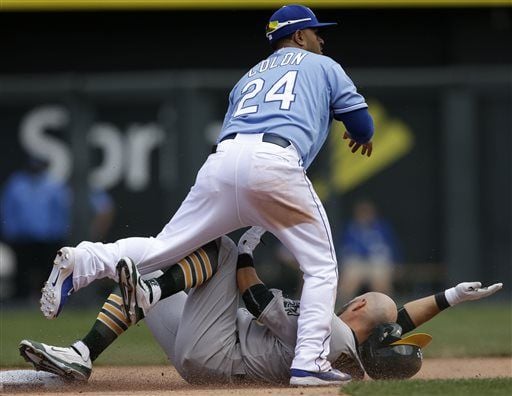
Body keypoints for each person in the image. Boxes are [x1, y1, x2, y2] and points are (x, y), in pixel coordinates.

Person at [38, 4, 374, 385]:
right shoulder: (325, 65)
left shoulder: (247, 77)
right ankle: (309, 362)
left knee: (163, 248)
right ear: (299, 36)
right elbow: (362, 123)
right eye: (316, 32)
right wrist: (362, 136)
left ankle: (82, 261)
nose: (321, 39)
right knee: (321, 266)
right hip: (276, 159)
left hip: (223, 160)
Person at [21, 228, 502, 385]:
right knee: (145, 284)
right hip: (211, 357)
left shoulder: (328, 330)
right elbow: (391, 324)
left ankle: (125, 279)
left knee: (224, 253)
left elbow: (253, 296)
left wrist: (249, 244)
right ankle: (83, 354)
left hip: (216, 348)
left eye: (360, 300)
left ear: (354, 307)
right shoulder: (357, 357)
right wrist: (449, 298)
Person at [337, 200, 400, 304]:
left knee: (380, 283)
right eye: (362, 212)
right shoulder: (351, 227)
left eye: (367, 212)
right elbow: (344, 249)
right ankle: (343, 311)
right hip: (357, 262)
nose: (365, 215)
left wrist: (397, 263)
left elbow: (393, 247)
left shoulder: (382, 227)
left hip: (377, 262)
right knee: (348, 283)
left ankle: (385, 310)